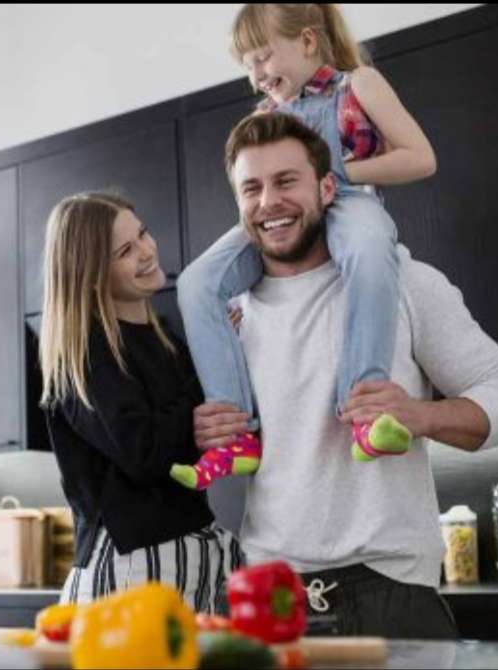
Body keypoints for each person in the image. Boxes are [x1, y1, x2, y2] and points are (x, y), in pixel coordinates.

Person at [193, 111, 498, 638]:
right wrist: (208, 430)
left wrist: (419, 415)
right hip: (266, 593)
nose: (269, 203)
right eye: (251, 188)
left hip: (390, 590)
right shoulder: (230, 317)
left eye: (287, 181)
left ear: (328, 187)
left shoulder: (405, 284)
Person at [171, 4, 438, 491]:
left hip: (352, 201)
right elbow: (256, 196)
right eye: (247, 65)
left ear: (309, 42)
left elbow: (419, 158)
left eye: (263, 57)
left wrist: (334, 175)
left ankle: (365, 411)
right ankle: (237, 435)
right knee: (197, 282)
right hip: (288, 216)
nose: (256, 76)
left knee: (369, 250)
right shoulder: (268, 116)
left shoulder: (358, 85)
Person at [38, 191, 244, 611]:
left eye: (143, 234)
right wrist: (208, 373)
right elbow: (145, 453)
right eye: (126, 251)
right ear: (92, 273)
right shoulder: (83, 353)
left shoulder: (166, 338)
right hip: (131, 572)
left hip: (187, 558)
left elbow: (191, 436)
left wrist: (221, 348)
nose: (148, 251)